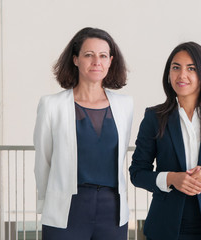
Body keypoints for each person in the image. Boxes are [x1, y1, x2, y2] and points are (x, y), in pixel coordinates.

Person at [129, 41, 201, 240]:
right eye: (176, 67)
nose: (182, 75)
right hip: (165, 226)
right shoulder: (154, 117)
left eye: (191, 68)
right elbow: (137, 173)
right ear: (168, 74)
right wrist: (171, 179)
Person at [34, 27, 133, 240]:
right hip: (66, 208)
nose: (96, 61)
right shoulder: (52, 105)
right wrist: (45, 202)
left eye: (103, 55)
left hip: (112, 210)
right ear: (76, 59)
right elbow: (43, 160)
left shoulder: (125, 106)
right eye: (89, 55)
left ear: (110, 61)